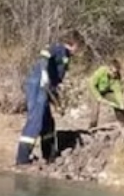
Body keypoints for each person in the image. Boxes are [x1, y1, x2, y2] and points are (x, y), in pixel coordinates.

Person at [16, 30, 84, 166]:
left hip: (46, 89)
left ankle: (49, 155)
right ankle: (22, 159)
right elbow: (45, 54)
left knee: (48, 123)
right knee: (36, 121)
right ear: (73, 43)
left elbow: (56, 77)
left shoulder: (66, 56)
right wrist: (44, 75)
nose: (79, 50)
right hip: (38, 86)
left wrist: (57, 99)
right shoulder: (59, 48)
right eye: (79, 46)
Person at [88, 59, 124, 129]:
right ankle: (92, 127)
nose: (114, 74)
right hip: (95, 89)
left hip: (105, 90)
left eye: (116, 72)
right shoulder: (101, 71)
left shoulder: (117, 77)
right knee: (95, 109)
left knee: (116, 102)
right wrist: (98, 97)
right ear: (109, 69)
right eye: (113, 72)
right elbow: (91, 84)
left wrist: (121, 104)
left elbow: (118, 92)